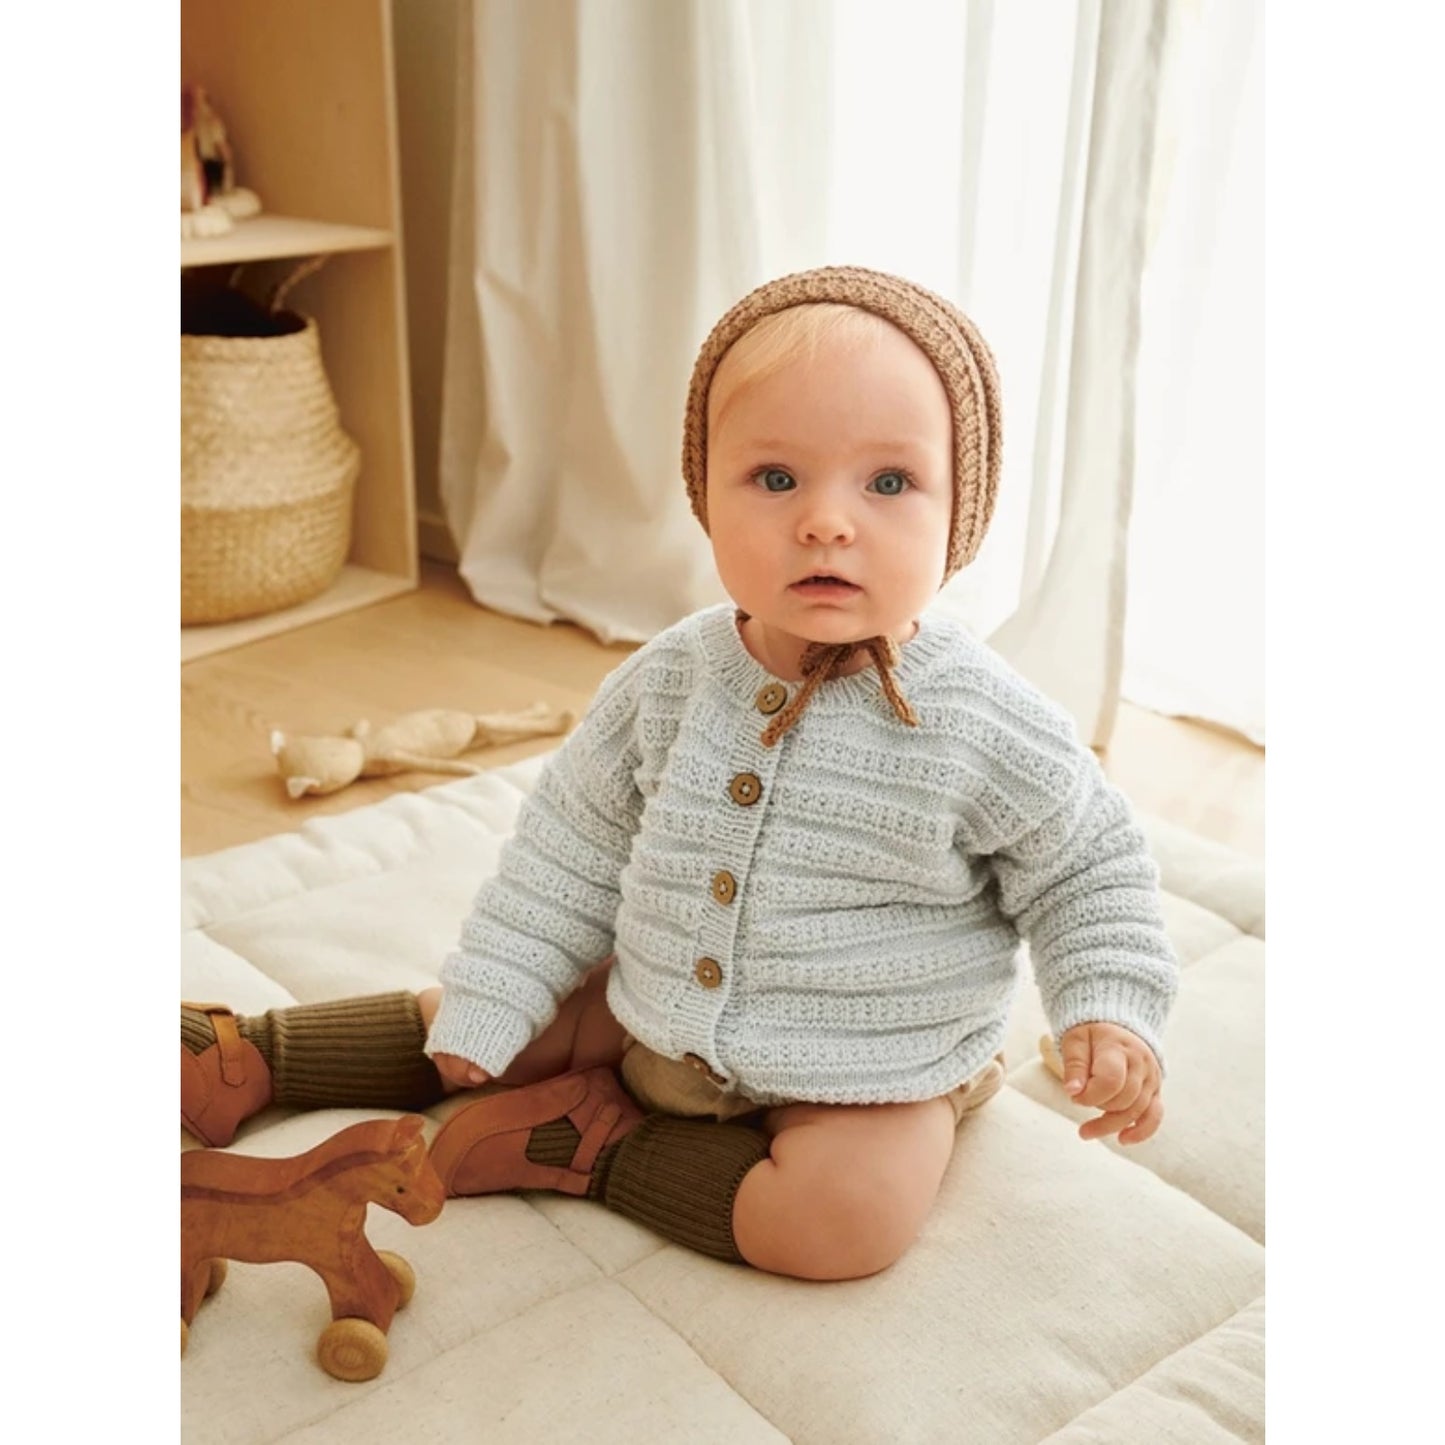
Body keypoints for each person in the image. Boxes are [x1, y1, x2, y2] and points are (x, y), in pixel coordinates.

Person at [182, 265, 1178, 1282]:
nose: (825, 521)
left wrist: (1106, 1004)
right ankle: (249, 1053)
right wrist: (498, 993)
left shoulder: (980, 718)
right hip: (655, 1006)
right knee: (486, 1013)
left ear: (960, 510)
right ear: (704, 493)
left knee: (845, 1222)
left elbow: (1088, 864)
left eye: (887, 483)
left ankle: (596, 1147)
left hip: (876, 1066)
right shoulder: (670, 679)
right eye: (775, 479)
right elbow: (566, 848)